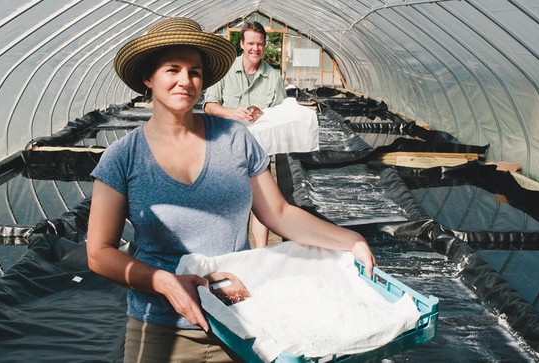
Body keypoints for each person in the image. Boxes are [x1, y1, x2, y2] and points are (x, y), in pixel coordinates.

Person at [86, 17, 376, 363]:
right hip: (163, 326)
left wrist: (350, 240)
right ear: (148, 79)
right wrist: (163, 282)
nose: (185, 81)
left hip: (238, 321)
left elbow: (279, 213)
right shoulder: (124, 157)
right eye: (172, 70)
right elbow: (99, 252)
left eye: (194, 72)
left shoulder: (235, 139)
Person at [203, 21, 287, 248]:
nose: (255, 49)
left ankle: (260, 253)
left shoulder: (273, 77)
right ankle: (228, 251)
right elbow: (209, 105)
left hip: (260, 151)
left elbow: (281, 113)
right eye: (250, 43)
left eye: (260, 44)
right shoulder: (226, 70)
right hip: (225, 150)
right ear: (241, 44)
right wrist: (231, 112)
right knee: (231, 204)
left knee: (263, 205)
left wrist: (265, 115)